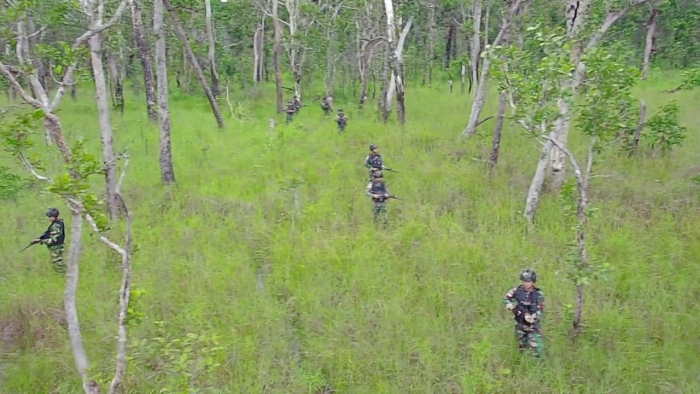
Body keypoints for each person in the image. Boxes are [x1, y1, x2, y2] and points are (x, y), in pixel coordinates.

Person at [502, 269, 545, 357]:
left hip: (533, 325)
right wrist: (511, 306)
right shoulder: (516, 291)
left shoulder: (538, 294)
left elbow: (540, 309)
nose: (526, 283)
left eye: (528, 281)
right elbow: (506, 299)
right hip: (520, 323)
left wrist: (533, 316)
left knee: (537, 348)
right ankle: (523, 362)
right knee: (521, 347)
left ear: (533, 282)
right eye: (524, 281)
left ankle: (538, 365)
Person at [34, 208, 66, 274]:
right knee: (58, 262)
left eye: (50, 217)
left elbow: (53, 239)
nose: (49, 218)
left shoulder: (56, 226)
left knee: (57, 263)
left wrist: (42, 241)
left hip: (56, 247)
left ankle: (64, 274)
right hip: (57, 246)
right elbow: (48, 233)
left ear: (54, 217)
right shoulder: (58, 223)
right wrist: (41, 238)